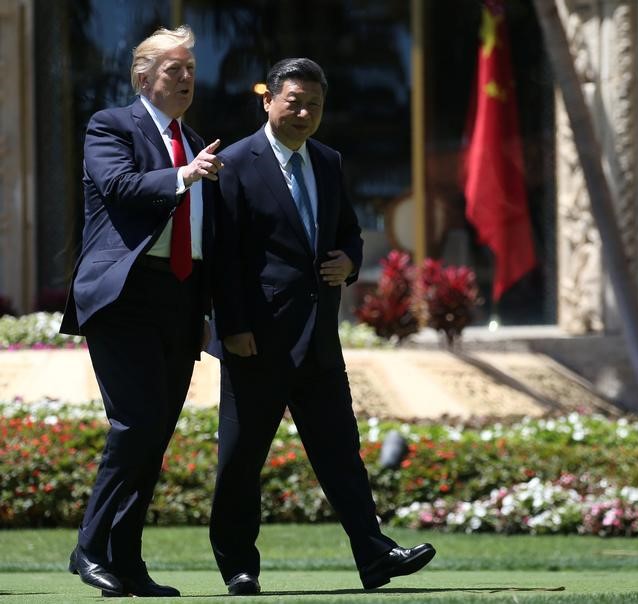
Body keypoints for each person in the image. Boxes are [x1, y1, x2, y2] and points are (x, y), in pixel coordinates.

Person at [209, 57, 435, 596]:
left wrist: (350, 263)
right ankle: (239, 566)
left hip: (319, 339)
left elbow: (350, 233)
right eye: (294, 102)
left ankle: (375, 557)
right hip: (255, 340)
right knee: (241, 461)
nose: (305, 112)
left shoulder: (329, 161)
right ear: (268, 101)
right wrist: (233, 327)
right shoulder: (235, 163)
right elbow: (222, 256)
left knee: (340, 453)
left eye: (314, 104)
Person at [59, 25, 222, 598]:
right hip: (123, 296)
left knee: (154, 434)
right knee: (136, 425)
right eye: (174, 69)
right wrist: (185, 174)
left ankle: (125, 563)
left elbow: (203, 233)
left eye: (190, 71)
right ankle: (89, 548)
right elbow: (122, 186)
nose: (185, 79)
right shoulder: (111, 126)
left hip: (179, 299)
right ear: (143, 76)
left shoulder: (195, 140)